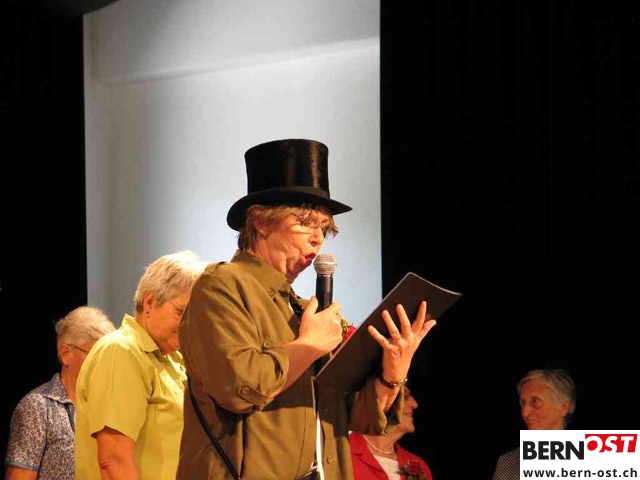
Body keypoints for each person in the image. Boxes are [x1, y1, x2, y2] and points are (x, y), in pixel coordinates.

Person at [176, 138, 438, 480]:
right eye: (304, 222)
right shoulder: (222, 286)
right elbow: (238, 387)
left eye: (323, 229)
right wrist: (308, 346)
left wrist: (392, 374)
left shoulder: (302, 309)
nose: (317, 238)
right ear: (261, 222)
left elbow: (356, 417)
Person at [74, 250, 206, 480]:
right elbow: (114, 461)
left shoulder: (173, 360)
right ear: (149, 302)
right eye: (181, 312)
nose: (190, 324)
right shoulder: (121, 352)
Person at [4, 305, 116, 480]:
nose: (104, 365)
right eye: (96, 355)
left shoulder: (108, 406)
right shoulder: (38, 408)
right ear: (66, 354)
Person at [491, 368, 577, 480]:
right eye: (523, 403)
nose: (525, 412)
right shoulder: (508, 463)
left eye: (535, 402)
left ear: (563, 407)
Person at [349, 386, 433, 480]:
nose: (415, 404)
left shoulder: (419, 465)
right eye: (405, 397)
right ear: (378, 402)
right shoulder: (342, 453)